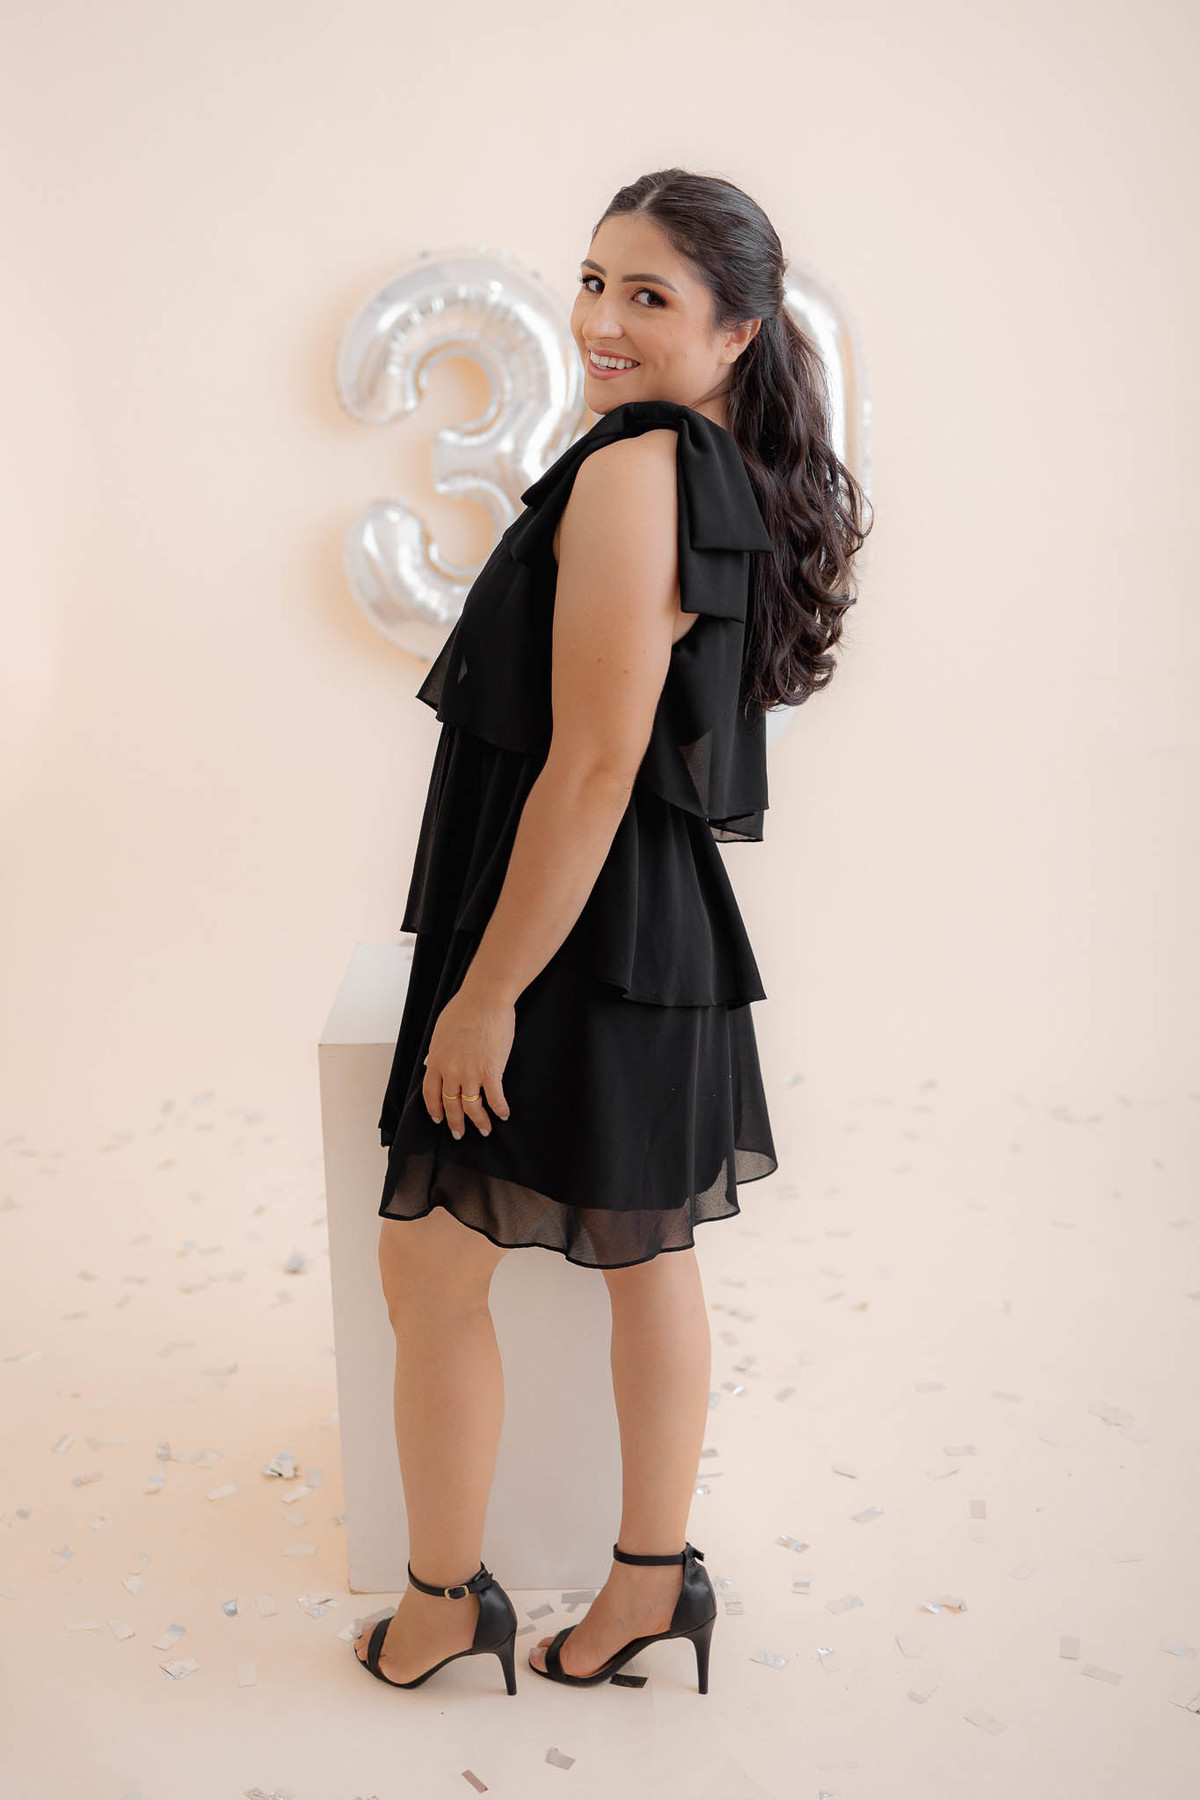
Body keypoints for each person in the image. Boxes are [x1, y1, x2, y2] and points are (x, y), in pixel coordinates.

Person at [354, 167, 871, 1693]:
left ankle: (445, 1607)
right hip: (638, 926)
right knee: (647, 1258)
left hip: (579, 935)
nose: (601, 319)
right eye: (593, 280)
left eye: (649, 295)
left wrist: (484, 994)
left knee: (430, 1268)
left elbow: (590, 766)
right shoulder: (683, 463)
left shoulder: (642, 471)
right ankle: (650, 1582)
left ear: (737, 331)